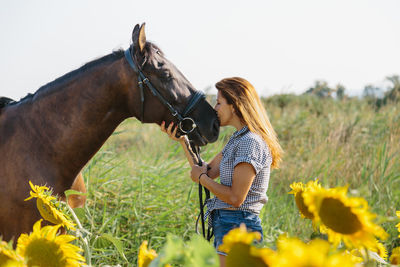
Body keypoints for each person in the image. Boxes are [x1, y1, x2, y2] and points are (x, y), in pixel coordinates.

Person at [160, 77, 283, 267]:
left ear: (234, 105)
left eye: (219, 103)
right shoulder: (237, 139)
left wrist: (201, 179)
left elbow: (235, 198)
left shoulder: (250, 142)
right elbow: (206, 171)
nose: (215, 109)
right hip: (229, 224)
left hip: (238, 225)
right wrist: (184, 141)